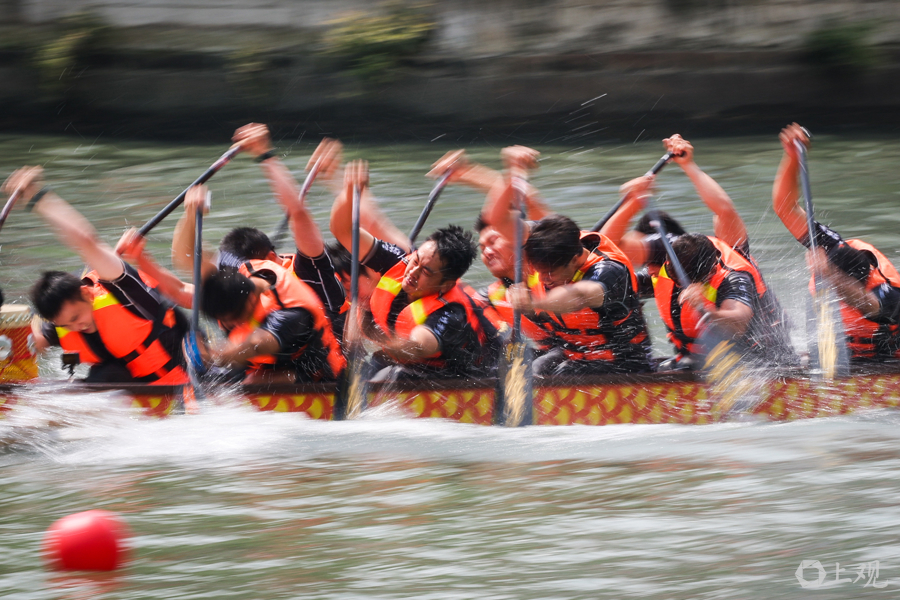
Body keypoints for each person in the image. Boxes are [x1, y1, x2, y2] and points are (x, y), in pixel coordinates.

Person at [602, 135, 794, 367]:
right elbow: (607, 246)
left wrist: (689, 166)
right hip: (695, 360)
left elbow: (724, 211)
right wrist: (633, 202)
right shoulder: (669, 257)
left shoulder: (733, 271)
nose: (651, 270)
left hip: (762, 358)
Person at [1, 166, 190, 385]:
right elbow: (32, 342)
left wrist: (40, 199)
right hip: (136, 389)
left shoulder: (123, 289)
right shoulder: (62, 319)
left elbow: (87, 242)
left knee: (106, 378)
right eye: (67, 325)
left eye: (76, 317)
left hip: (184, 381)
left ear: (86, 294)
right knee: (103, 377)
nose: (76, 327)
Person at [330, 159, 496, 380]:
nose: (412, 273)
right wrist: (350, 193)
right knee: (355, 371)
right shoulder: (397, 262)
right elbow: (342, 230)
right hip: (408, 363)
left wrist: (365, 332)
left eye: (426, 272)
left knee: (394, 375)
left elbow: (419, 346)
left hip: (465, 377)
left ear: (446, 284)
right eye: (415, 260)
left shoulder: (450, 312)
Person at [773, 123, 900, 361]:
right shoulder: (832, 249)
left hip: (888, 359)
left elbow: (867, 304)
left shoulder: (890, 295)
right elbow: (785, 208)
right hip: (844, 354)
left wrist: (830, 275)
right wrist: (792, 157)